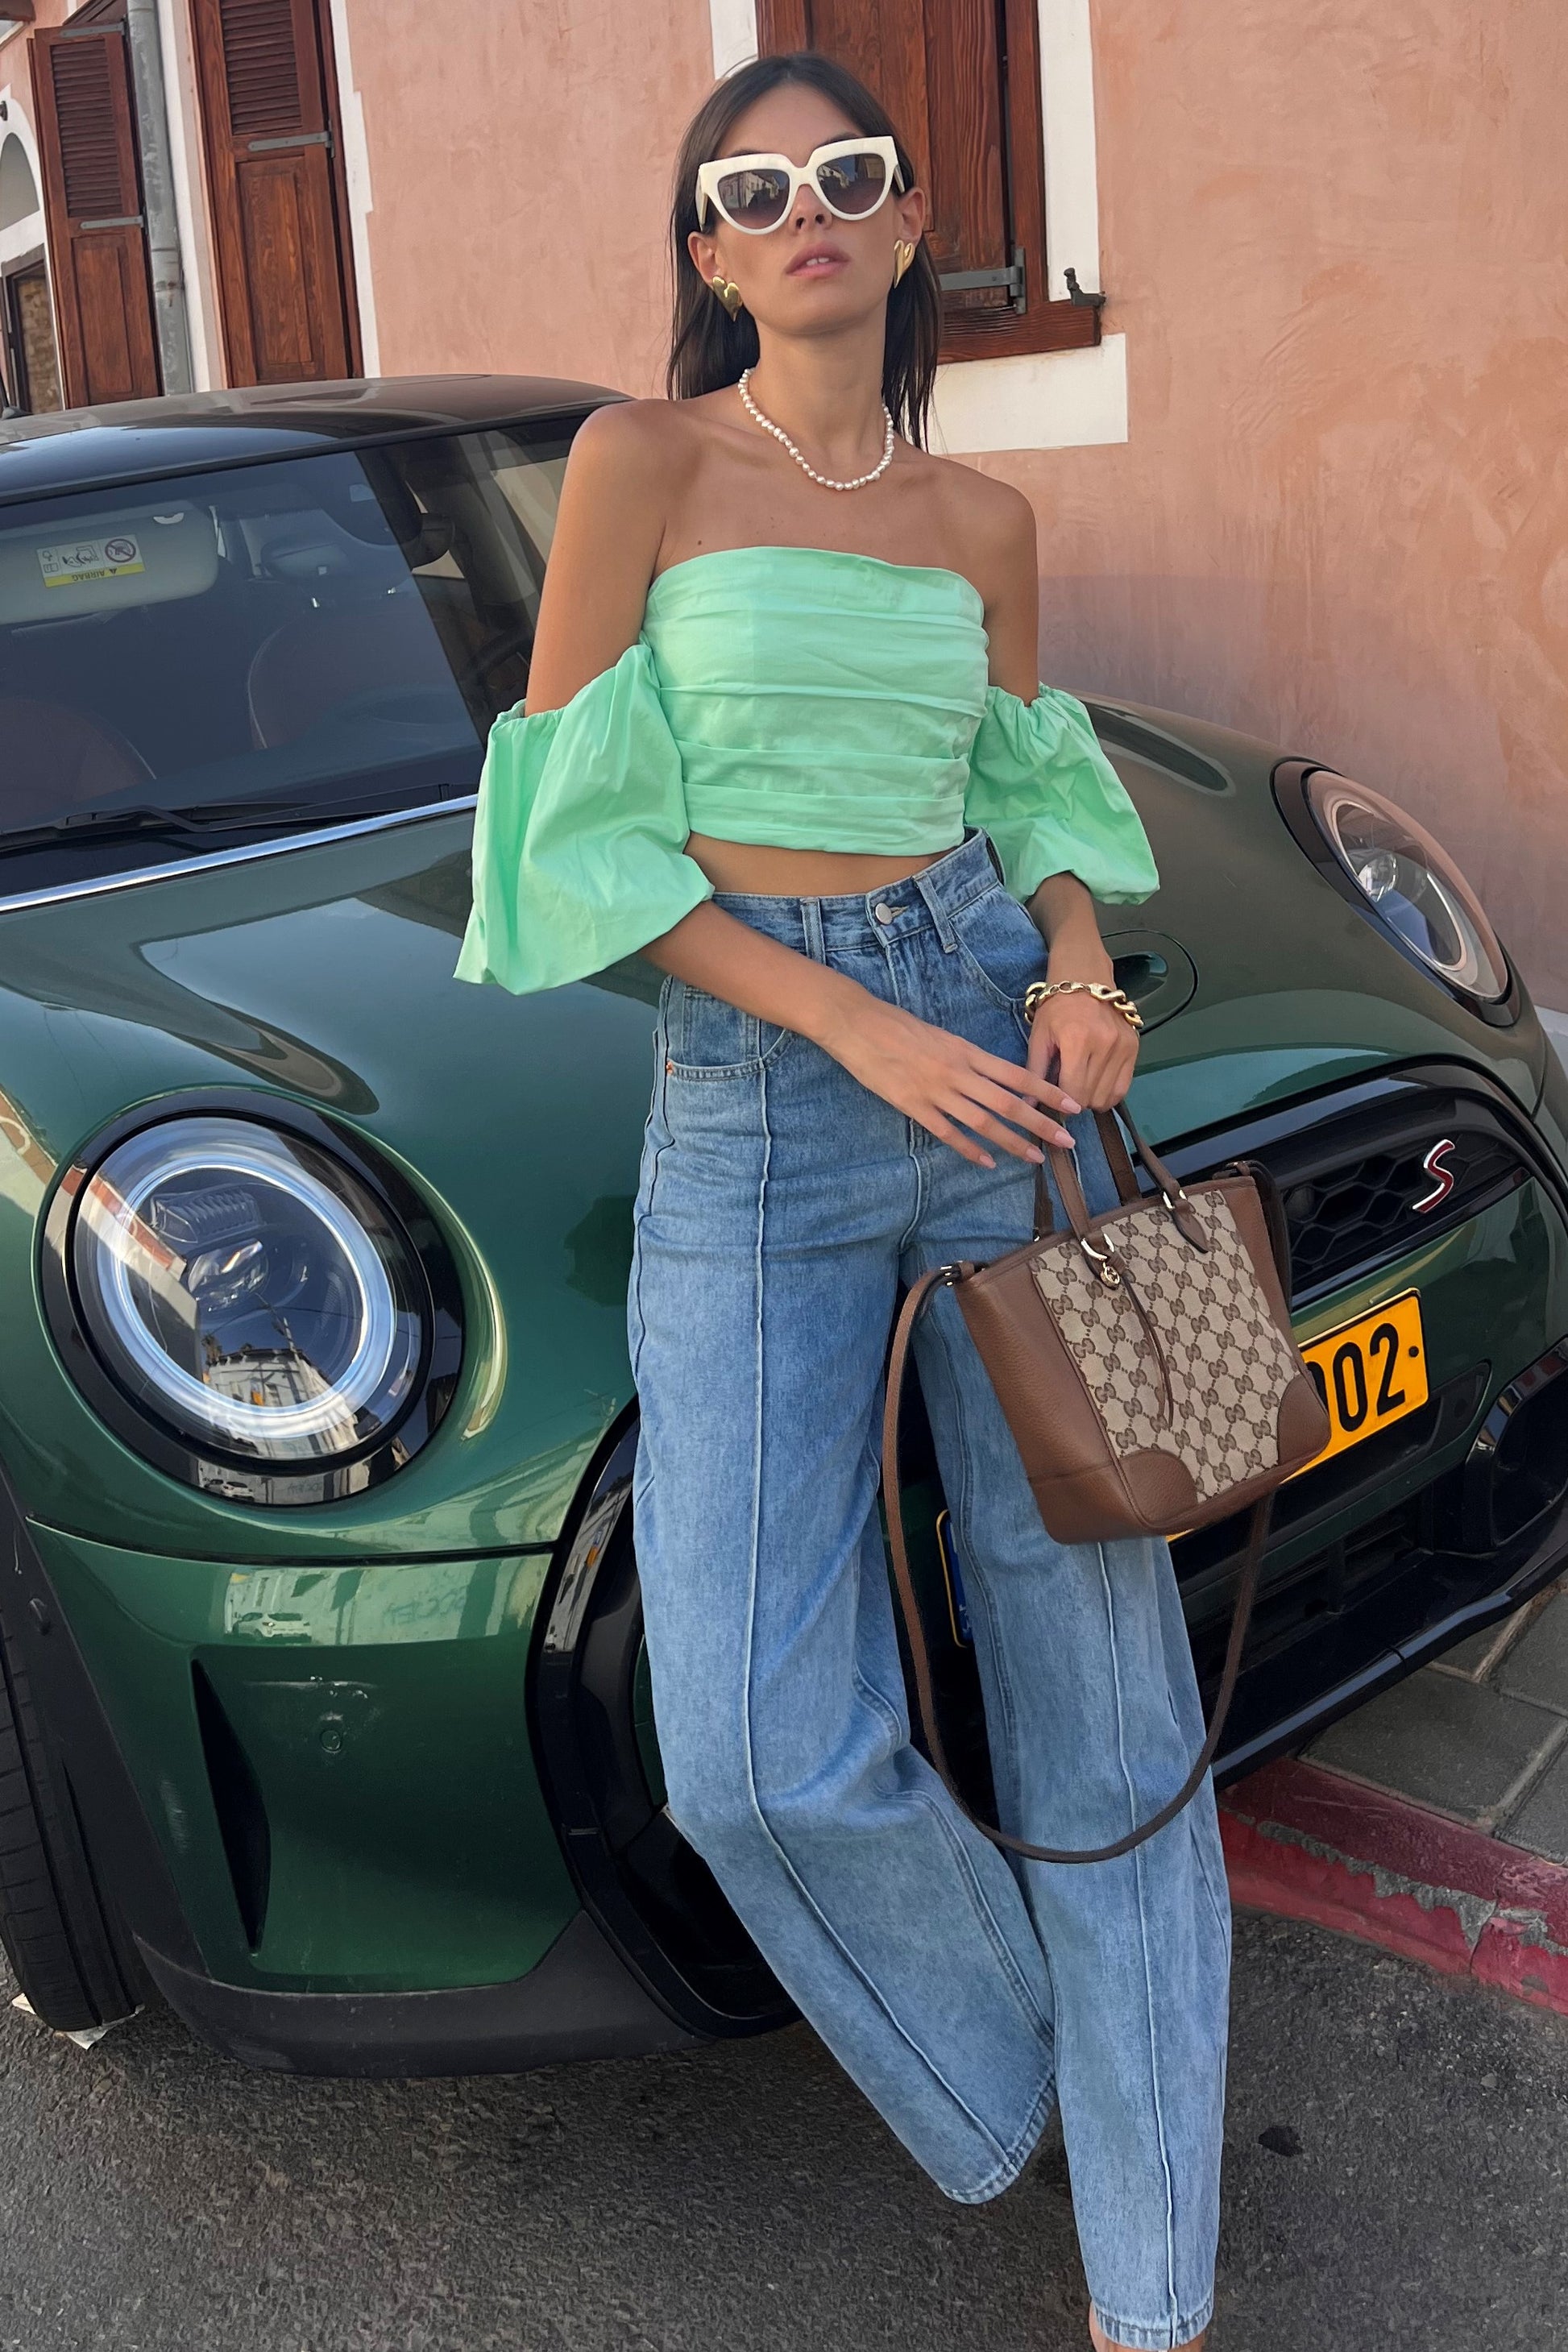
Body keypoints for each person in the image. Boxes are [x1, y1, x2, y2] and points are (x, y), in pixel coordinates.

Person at [454, 49, 1227, 2352]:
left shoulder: (984, 520)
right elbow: (568, 840)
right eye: (752, 189)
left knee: (1100, 1683)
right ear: (708, 252)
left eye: (848, 178)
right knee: (749, 1753)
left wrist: (1073, 967)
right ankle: (1053, 2072)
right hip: (762, 1103)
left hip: (996, 1062)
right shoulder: (641, 462)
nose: (804, 212)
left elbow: (1032, 799)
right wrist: (841, 1020)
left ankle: (1155, 2269)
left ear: (905, 229)